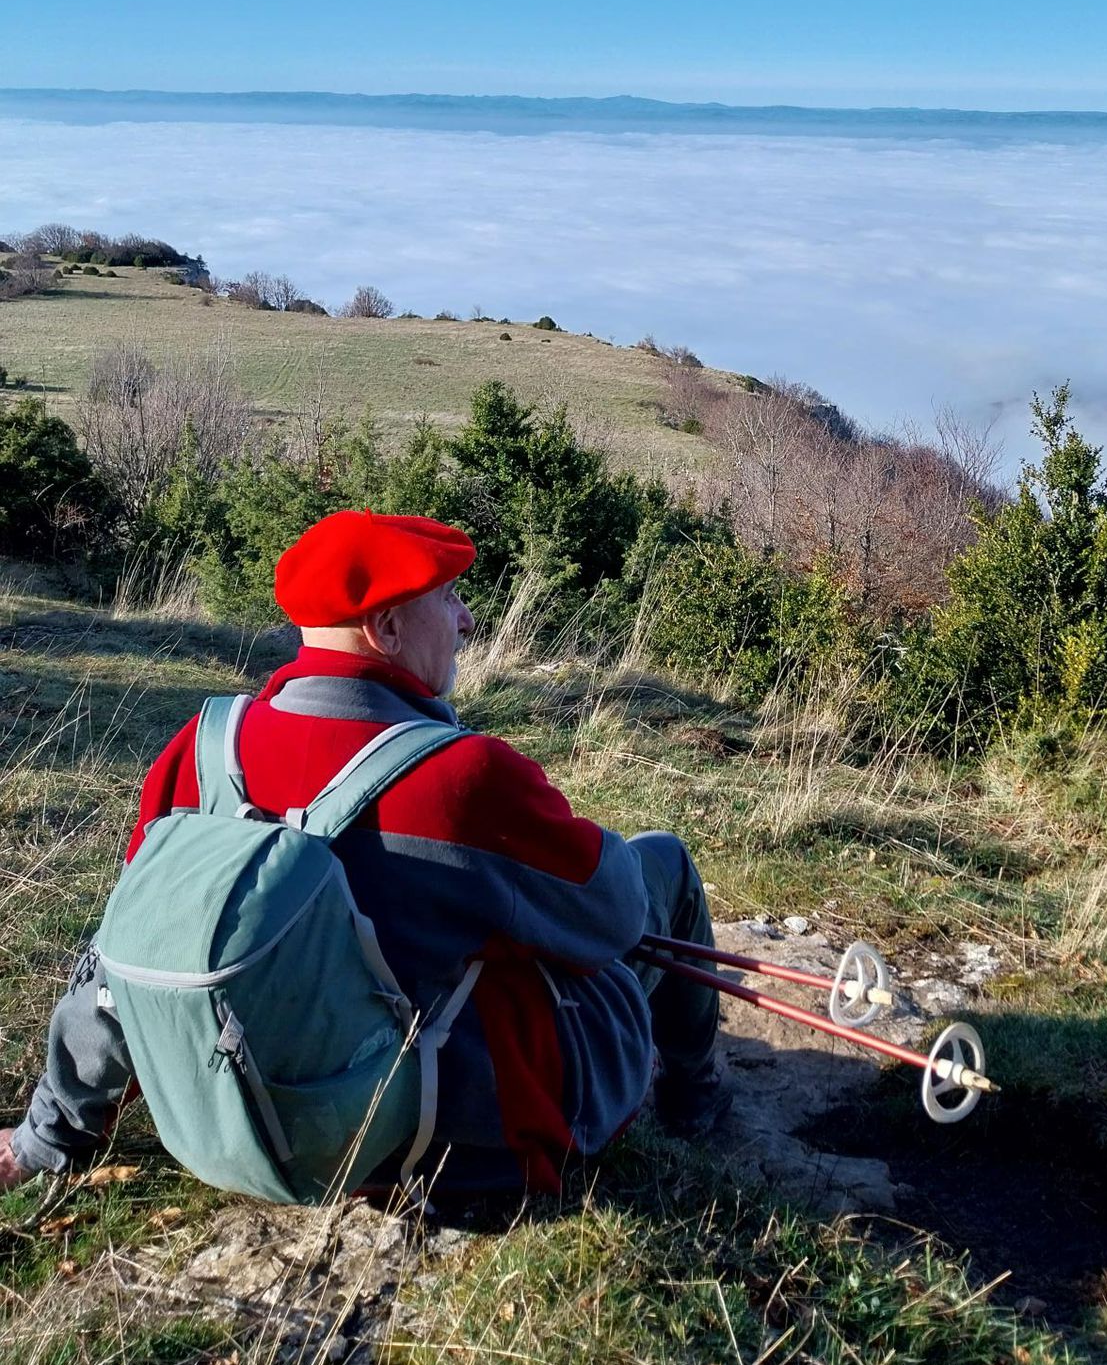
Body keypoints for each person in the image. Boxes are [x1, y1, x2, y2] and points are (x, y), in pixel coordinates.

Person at [0, 509, 726, 1198]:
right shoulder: (465, 776)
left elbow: (120, 957)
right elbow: (618, 918)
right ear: (386, 627)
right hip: (453, 1154)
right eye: (449, 600)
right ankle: (699, 1103)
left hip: (252, 1116)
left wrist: (43, 1138)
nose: (467, 620)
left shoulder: (202, 748)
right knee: (661, 865)